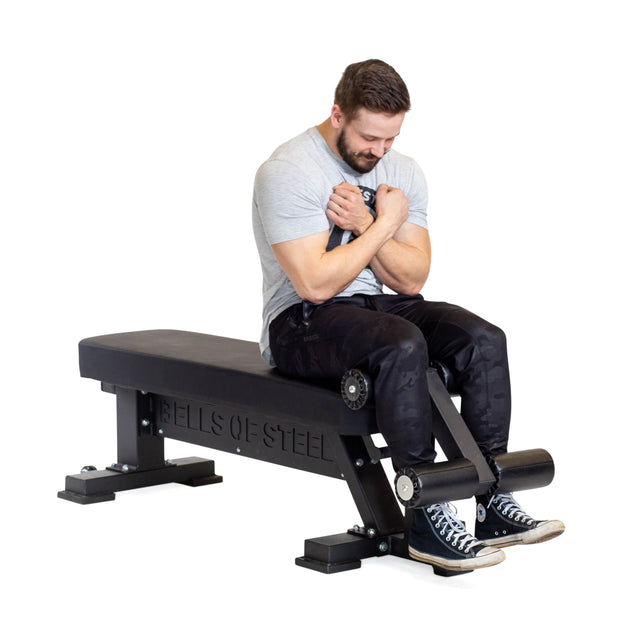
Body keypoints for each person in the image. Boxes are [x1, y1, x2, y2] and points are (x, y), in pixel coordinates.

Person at [252, 59, 564, 573]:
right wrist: (384, 225)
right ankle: (426, 515)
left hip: (385, 307)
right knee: (400, 344)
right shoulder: (288, 171)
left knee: (482, 339)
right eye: (369, 138)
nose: (378, 152)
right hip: (303, 321)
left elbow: (413, 278)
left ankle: (493, 502)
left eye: (389, 140)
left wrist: (368, 221)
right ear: (337, 115)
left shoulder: (404, 172)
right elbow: (316, 282)